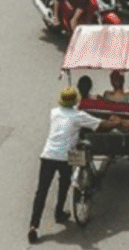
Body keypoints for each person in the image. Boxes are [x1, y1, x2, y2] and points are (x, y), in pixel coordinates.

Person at [27, 86, 115, 244]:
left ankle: (34, 225)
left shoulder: (54, 113)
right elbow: (100, 125)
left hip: (47, 155)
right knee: (64, 184)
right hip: (65, 157)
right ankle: (59, 212)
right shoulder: (78, 116)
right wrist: (115, 122)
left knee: (41, 191)